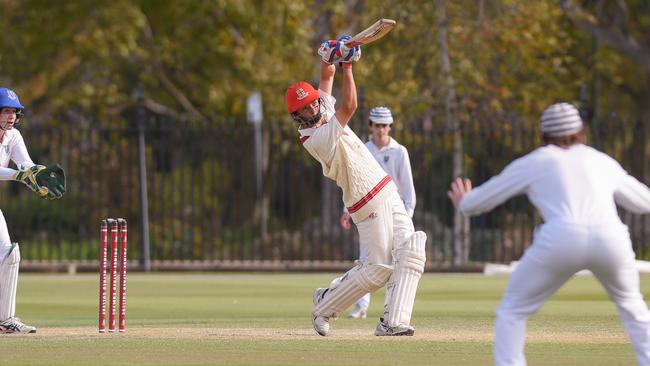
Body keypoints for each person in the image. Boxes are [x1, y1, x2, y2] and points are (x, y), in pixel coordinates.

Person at [447, 102, 650, 365]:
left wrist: (464, 201)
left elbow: (480, 202)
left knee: (512, 311)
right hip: (611, 237)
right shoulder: (601, 161)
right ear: (581, 131)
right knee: (633, 308)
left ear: (543, 135)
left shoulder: (536, 161)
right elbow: (643, 202)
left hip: (561, 237)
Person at [285, 37, 427, 336]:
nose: (313, 106)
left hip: (385, 188)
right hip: (364, 200)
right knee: (377, 271)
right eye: (306, 107)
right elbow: (350, 104)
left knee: (412, 250)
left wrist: (328, 56)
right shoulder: (315, 138)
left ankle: (393, 322)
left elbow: (326, 77)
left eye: (312, 101)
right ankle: (324, 304)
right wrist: (347, 64)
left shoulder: (321, 106)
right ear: (297, 116)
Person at [340, 106, 416, 319]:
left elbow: (408, 191)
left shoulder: (399, 152)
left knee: (399, 261)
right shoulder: (363, 149)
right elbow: (353, 181)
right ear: (371, 126)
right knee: (366, 259)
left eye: (384, 126)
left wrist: (405, 220)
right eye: (377, 126)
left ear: (390, 127)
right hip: (370, 210)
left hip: (395, 212)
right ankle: (361, 306)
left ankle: (394, 309)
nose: (381, 130)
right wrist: (346, 210)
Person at [0, 87, 65, 334]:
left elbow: (27, 166)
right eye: (6, 111)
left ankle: (5, 320)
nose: (11, 117)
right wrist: (20, 176)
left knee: (9, 255)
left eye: (14, 112)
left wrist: (41, 173)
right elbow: (17, 172)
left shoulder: (13, 136)